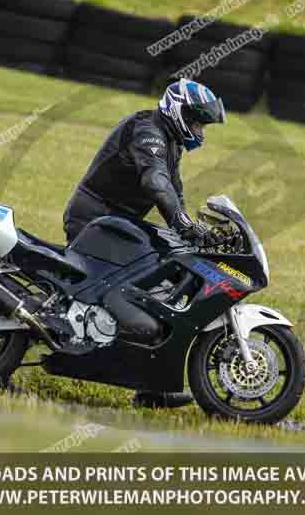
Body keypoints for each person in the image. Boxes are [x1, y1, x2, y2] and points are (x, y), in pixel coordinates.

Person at [63, 78, 227, 408]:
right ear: (178, 112)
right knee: (138, 292)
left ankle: (153, 387)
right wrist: (182, 223)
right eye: (197, 122)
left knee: (171, 280)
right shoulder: (148, 131)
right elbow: (156, 181)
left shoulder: (172, 144)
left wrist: (196, 233)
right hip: (95, 220)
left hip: (121, 224)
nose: (200, 131)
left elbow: (174, 196)